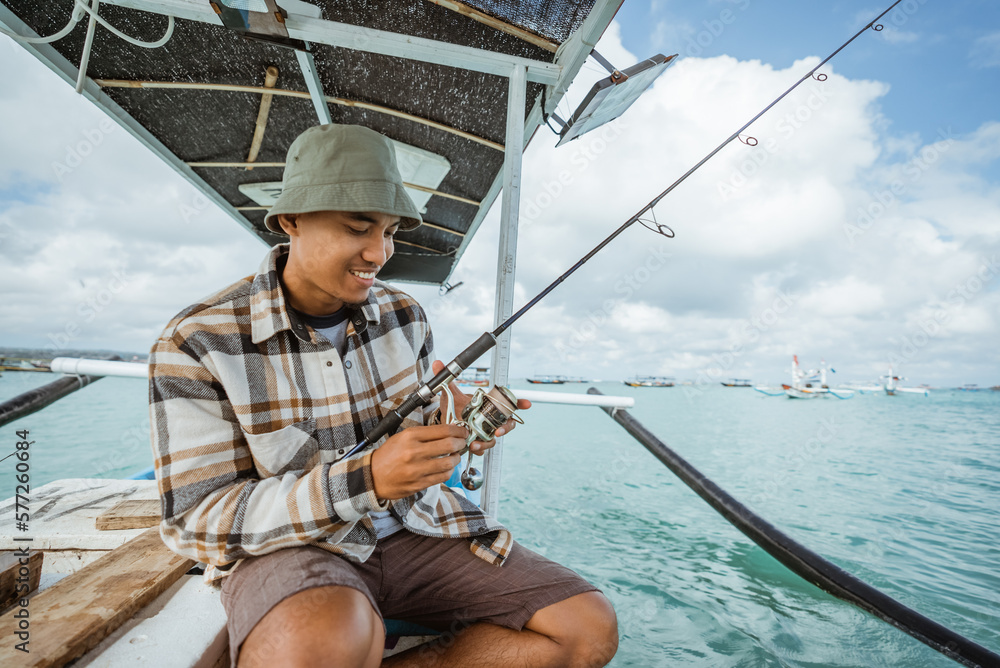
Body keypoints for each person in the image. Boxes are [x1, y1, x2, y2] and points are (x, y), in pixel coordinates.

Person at [149, 124, 618, 668]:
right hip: (297, 547)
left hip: (419, 526)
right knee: (328, 641)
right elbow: (196, 520)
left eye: (391, 230)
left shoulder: (406, 316)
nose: (380, 252)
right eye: (358, 227)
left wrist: (456, 424)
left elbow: (413, 428)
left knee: (587, 628)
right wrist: (366, 479)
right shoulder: (196, 340)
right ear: (290, 221)